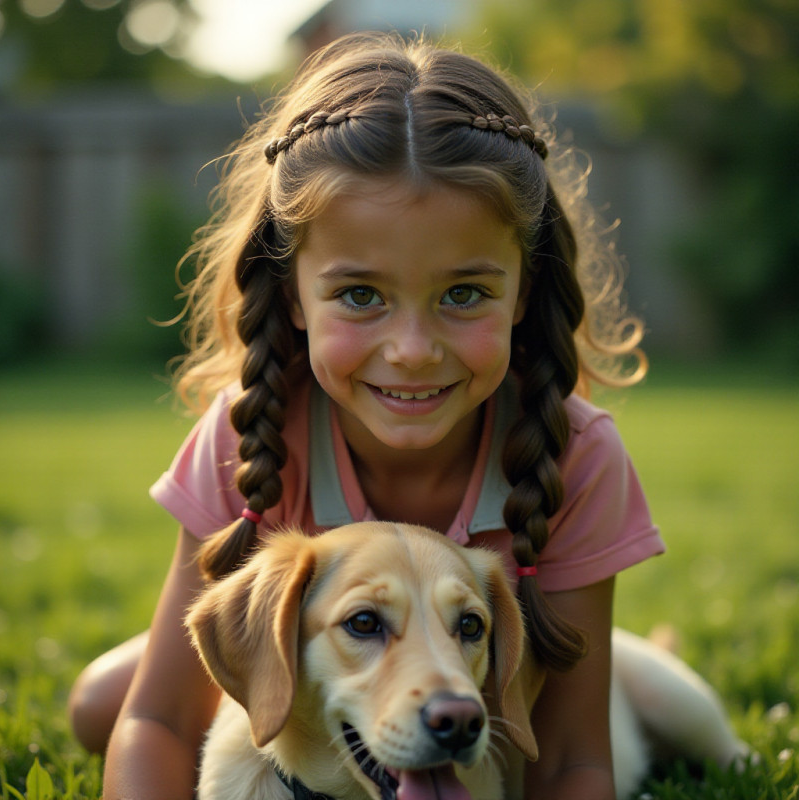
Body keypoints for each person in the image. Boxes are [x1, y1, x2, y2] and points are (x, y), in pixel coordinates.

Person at [69, 31, 665, 799]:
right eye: (360, 295)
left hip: (485, 700)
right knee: (100, 707)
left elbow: (574, 759)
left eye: (463, 293)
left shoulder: (576, 453)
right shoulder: (253, 427)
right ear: (292, 294)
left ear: (525, 287)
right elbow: (160, 720)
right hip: (302, 665)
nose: (412, 351)